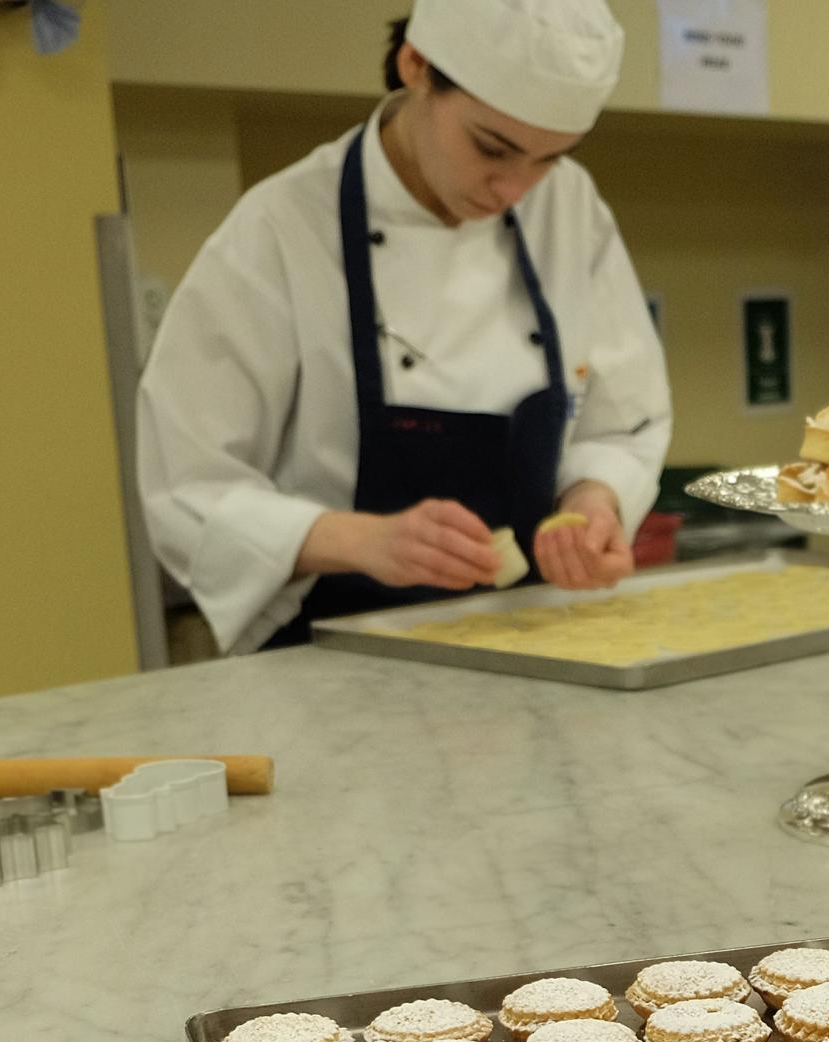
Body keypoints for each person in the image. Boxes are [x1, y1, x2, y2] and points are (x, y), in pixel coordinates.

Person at [140, 0, 670, 652]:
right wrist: (365, 540)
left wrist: (592, 503)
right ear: (415, 65)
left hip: (537, 649)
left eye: (548, 158)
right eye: (491, 147)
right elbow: (189, 486)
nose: (515, 189)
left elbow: (622, 421)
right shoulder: (280, 229)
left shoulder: (570, 207)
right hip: (330, 664)